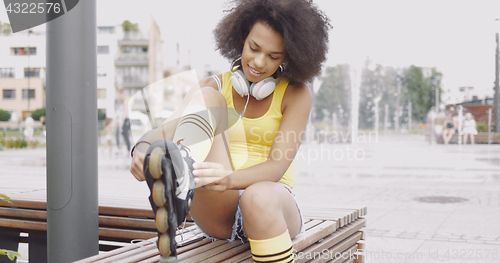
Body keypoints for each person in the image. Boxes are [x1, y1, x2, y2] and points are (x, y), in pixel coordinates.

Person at [130, 0, 330, 261]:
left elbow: (276, 167)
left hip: (271, 205)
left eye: (273, 56)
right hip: (218, 209)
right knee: (209, 97)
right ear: (241, 37)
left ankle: (180, 184)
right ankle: (178, 183)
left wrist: (228, 178)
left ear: (289, 56)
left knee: (257, 196)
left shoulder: (296, 93)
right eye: (254, 48)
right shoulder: (213, 85)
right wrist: (142, 149)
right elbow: (164, 131)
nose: (259, 62)